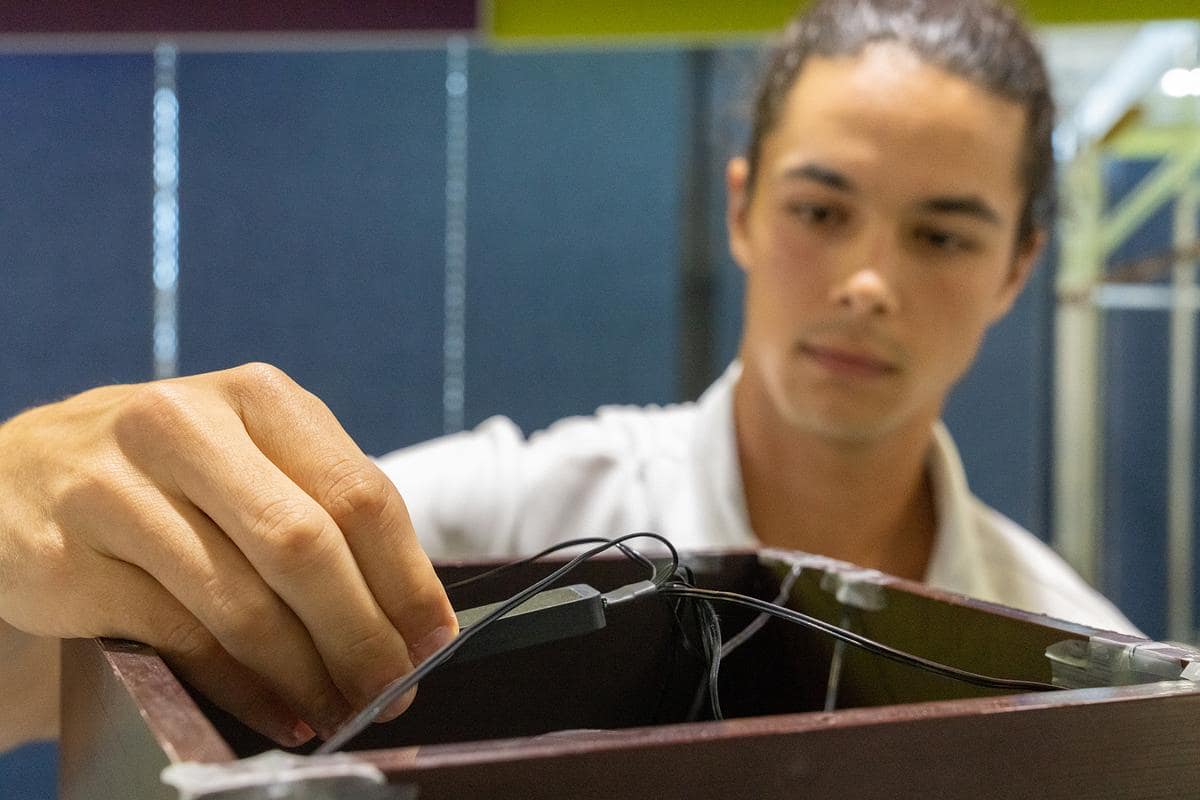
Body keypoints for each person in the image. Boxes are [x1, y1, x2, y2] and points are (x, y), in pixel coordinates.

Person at [0, 0, 1137, 756]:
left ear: (1017, 267)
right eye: (821, 211)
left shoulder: (1090, 674)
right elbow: (47, 690)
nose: (869, 281)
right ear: (740, 208)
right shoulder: (494, 522)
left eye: (941, 235)